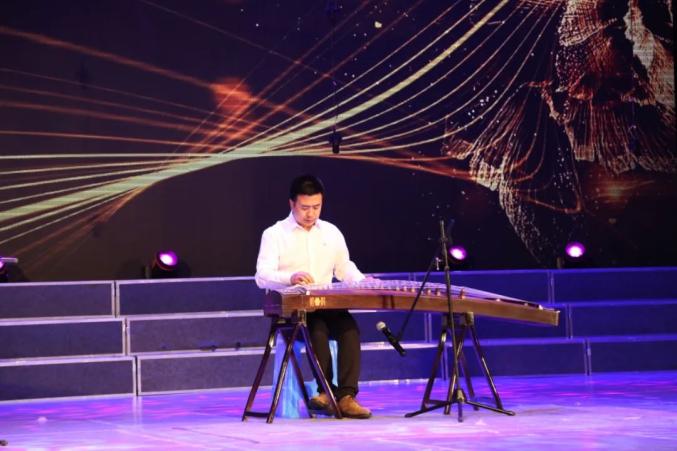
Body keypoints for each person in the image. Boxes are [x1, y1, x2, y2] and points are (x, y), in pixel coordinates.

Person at [254, 174, 372, 419]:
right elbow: (262, 276)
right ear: (292, 204)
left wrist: (362, 281)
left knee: (349, 329)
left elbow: (343, 267)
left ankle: (347, 396)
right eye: (305, 207)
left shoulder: (331, 232)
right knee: (316, 330)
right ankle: (325, 391)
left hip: (326, 303)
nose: (311, 213)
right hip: (294, 309)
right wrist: (291, 277)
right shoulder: (274, 234)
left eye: (316, 207)